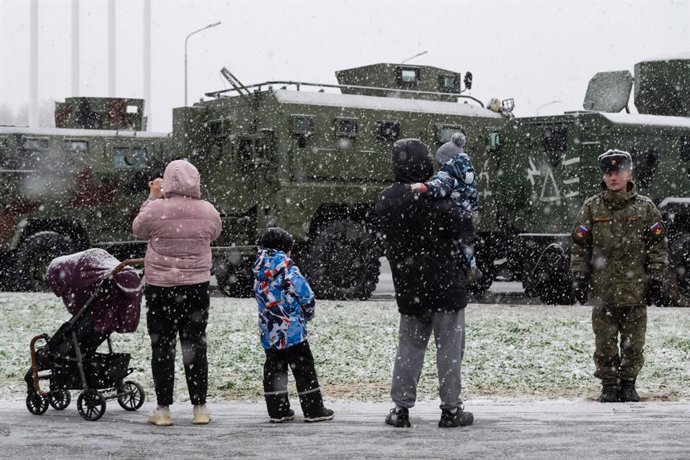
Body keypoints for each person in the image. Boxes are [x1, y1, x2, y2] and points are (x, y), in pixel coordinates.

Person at [376, 138, 475, 428]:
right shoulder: (437, 199)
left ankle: (400, 409)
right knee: (450, 353)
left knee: (408, 351)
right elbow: (466, 226)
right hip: (446, 288)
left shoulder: (387, 199)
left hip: (409, 289)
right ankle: (451, 410)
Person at [570, 149, 669, 403]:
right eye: (608, 173)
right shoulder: (592, 208)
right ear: (603, 177)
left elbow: (658, 244)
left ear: (629, 174)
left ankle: (629, 383)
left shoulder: (644, 208)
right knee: (604, 341)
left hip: (635, 289)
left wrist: (657, 277)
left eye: (618, 172)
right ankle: (609, 384)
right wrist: (579, 276)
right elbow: (580, 245)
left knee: (634, 342)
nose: (613, 177)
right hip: (603, 291)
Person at [132, 159, 222, 426]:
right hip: (196, 287)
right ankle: (200, 408)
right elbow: (214, 233)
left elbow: (138, 229)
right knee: (195, 344)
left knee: (163, 347)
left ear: (168, 181)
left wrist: (152, 196)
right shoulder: (208, 211)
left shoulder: (155, 210)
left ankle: (163, 410)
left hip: (160, 288)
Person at [253, 227, 334, 423]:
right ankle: (313, 409)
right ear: (284, 249)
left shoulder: (258, 270)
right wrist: (308, 313)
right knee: (304, 367)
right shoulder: (287, 268)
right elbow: (305, 294)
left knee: (274, 367)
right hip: (292, 329)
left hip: (270, 329)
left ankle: (277, 409)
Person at [410, 132, 482, 282]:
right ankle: (472, 268)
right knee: (463, 244)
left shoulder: (448, 175)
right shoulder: (467, 175)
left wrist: (423, 187)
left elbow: (439, 185)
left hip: (452, 216)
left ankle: (458, 274)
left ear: (445, 161)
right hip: (466, 215)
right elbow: (474, 199)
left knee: (448, 245)